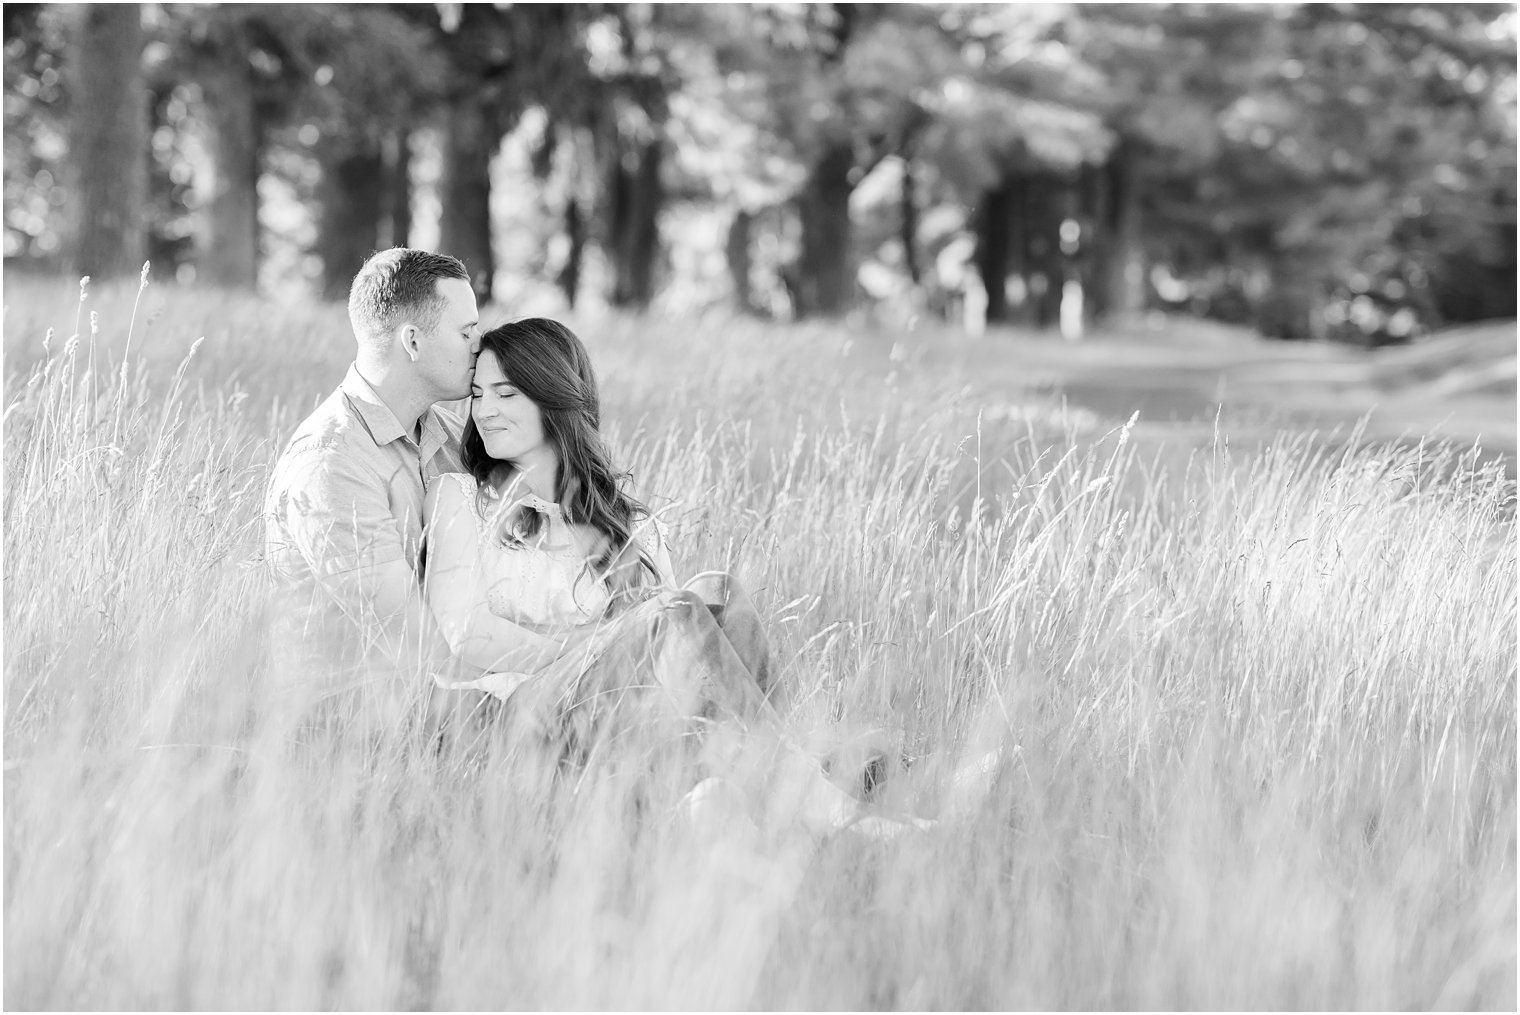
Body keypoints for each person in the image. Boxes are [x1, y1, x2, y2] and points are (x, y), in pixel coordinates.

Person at [422, 318, 919, 837]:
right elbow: (465, 632)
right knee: (674, 611)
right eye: (478, 394)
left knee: (715, 591)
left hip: (615, 724)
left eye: (506, 393)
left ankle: (790, 782)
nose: (484, 411)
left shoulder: (624, 524)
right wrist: (601, 646)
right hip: (519, 717)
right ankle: (827, 796)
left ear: (555, 398)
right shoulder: (459, 498)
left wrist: (628, 647)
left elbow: (682, 663)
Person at [263, 248, 558, 722]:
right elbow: (412, 639)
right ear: (413, 342)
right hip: (356, 719)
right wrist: (572, 664)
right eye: (465, 332)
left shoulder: (447, 439)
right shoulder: (333, 463)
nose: (480, 345)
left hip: (454, 694)